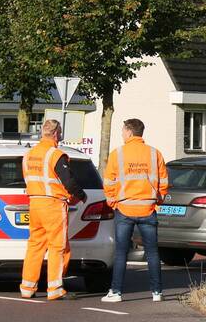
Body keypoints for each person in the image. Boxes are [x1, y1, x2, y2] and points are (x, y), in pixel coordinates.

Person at [101, 118, 169, 302]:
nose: (122, 133)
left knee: (121, 252)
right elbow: (163, 182)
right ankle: (157, 292)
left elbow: (109, 181)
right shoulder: (155, 153)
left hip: (124, 209)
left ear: (130, 132)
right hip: (148, 208)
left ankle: (116, 292)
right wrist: (157, 201)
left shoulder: (118, 154)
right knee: (153, 252)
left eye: (123, 130)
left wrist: (112, 201)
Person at [20, 119, 87, 300]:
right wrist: (81, 196)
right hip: (53, 205)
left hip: (34, 204)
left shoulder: (29, 155)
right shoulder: (55, 155)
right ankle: (55, 288)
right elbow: (69, 181)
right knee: (57, 247)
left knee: (35, 245)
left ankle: (27, 287)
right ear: (57, 134)